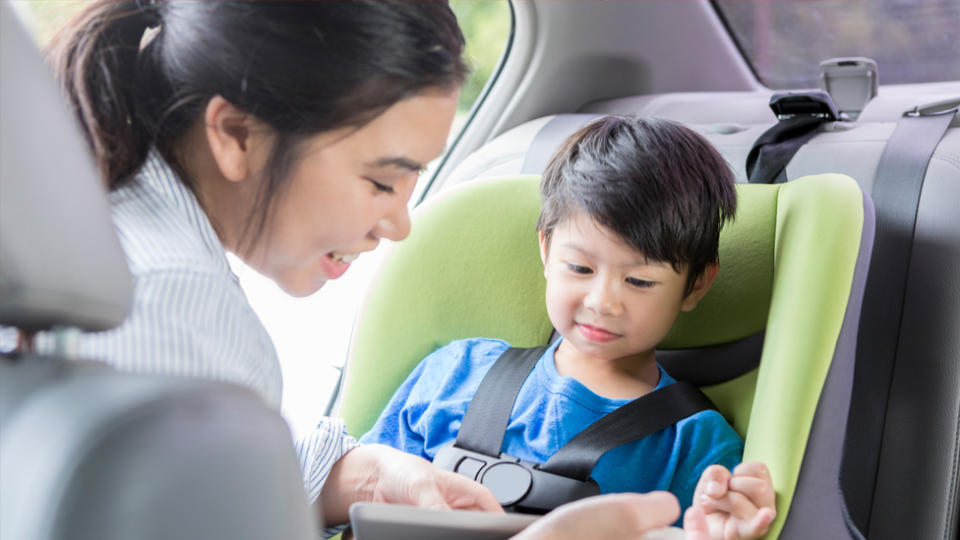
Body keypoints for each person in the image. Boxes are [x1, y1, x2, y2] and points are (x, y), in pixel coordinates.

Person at [42, 1, 701, 538]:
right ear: (237, 135)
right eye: (382, 182)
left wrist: (371, 477)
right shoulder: (168, 308)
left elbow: (196, 484)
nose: (400, 225)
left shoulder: (102, 241)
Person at [361, 116, 777, 538]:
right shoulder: (454, 372)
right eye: (579, 267)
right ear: (546, 249)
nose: (602, 302)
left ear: (696, 284)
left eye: (639, 281)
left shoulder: (696, 449)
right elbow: (357, 510)